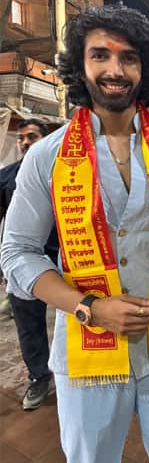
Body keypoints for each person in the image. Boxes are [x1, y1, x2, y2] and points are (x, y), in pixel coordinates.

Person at [0, 3, 149, 463]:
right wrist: (89, 309)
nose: (115, 70)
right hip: (86, 357)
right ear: (80, 64)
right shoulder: (49, 157)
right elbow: (17, 252)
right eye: (100, 55)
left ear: (145, 67)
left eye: (129, 58)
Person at [0, 118, 59, 410]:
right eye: (21, 138)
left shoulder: (67, 171)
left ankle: (83, 373)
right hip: (26, 264)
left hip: (65, 260)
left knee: (80, 317)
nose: (24, 142)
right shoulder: (7, 176)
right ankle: (39, 376)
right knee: (28, 324)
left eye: (31, 137)